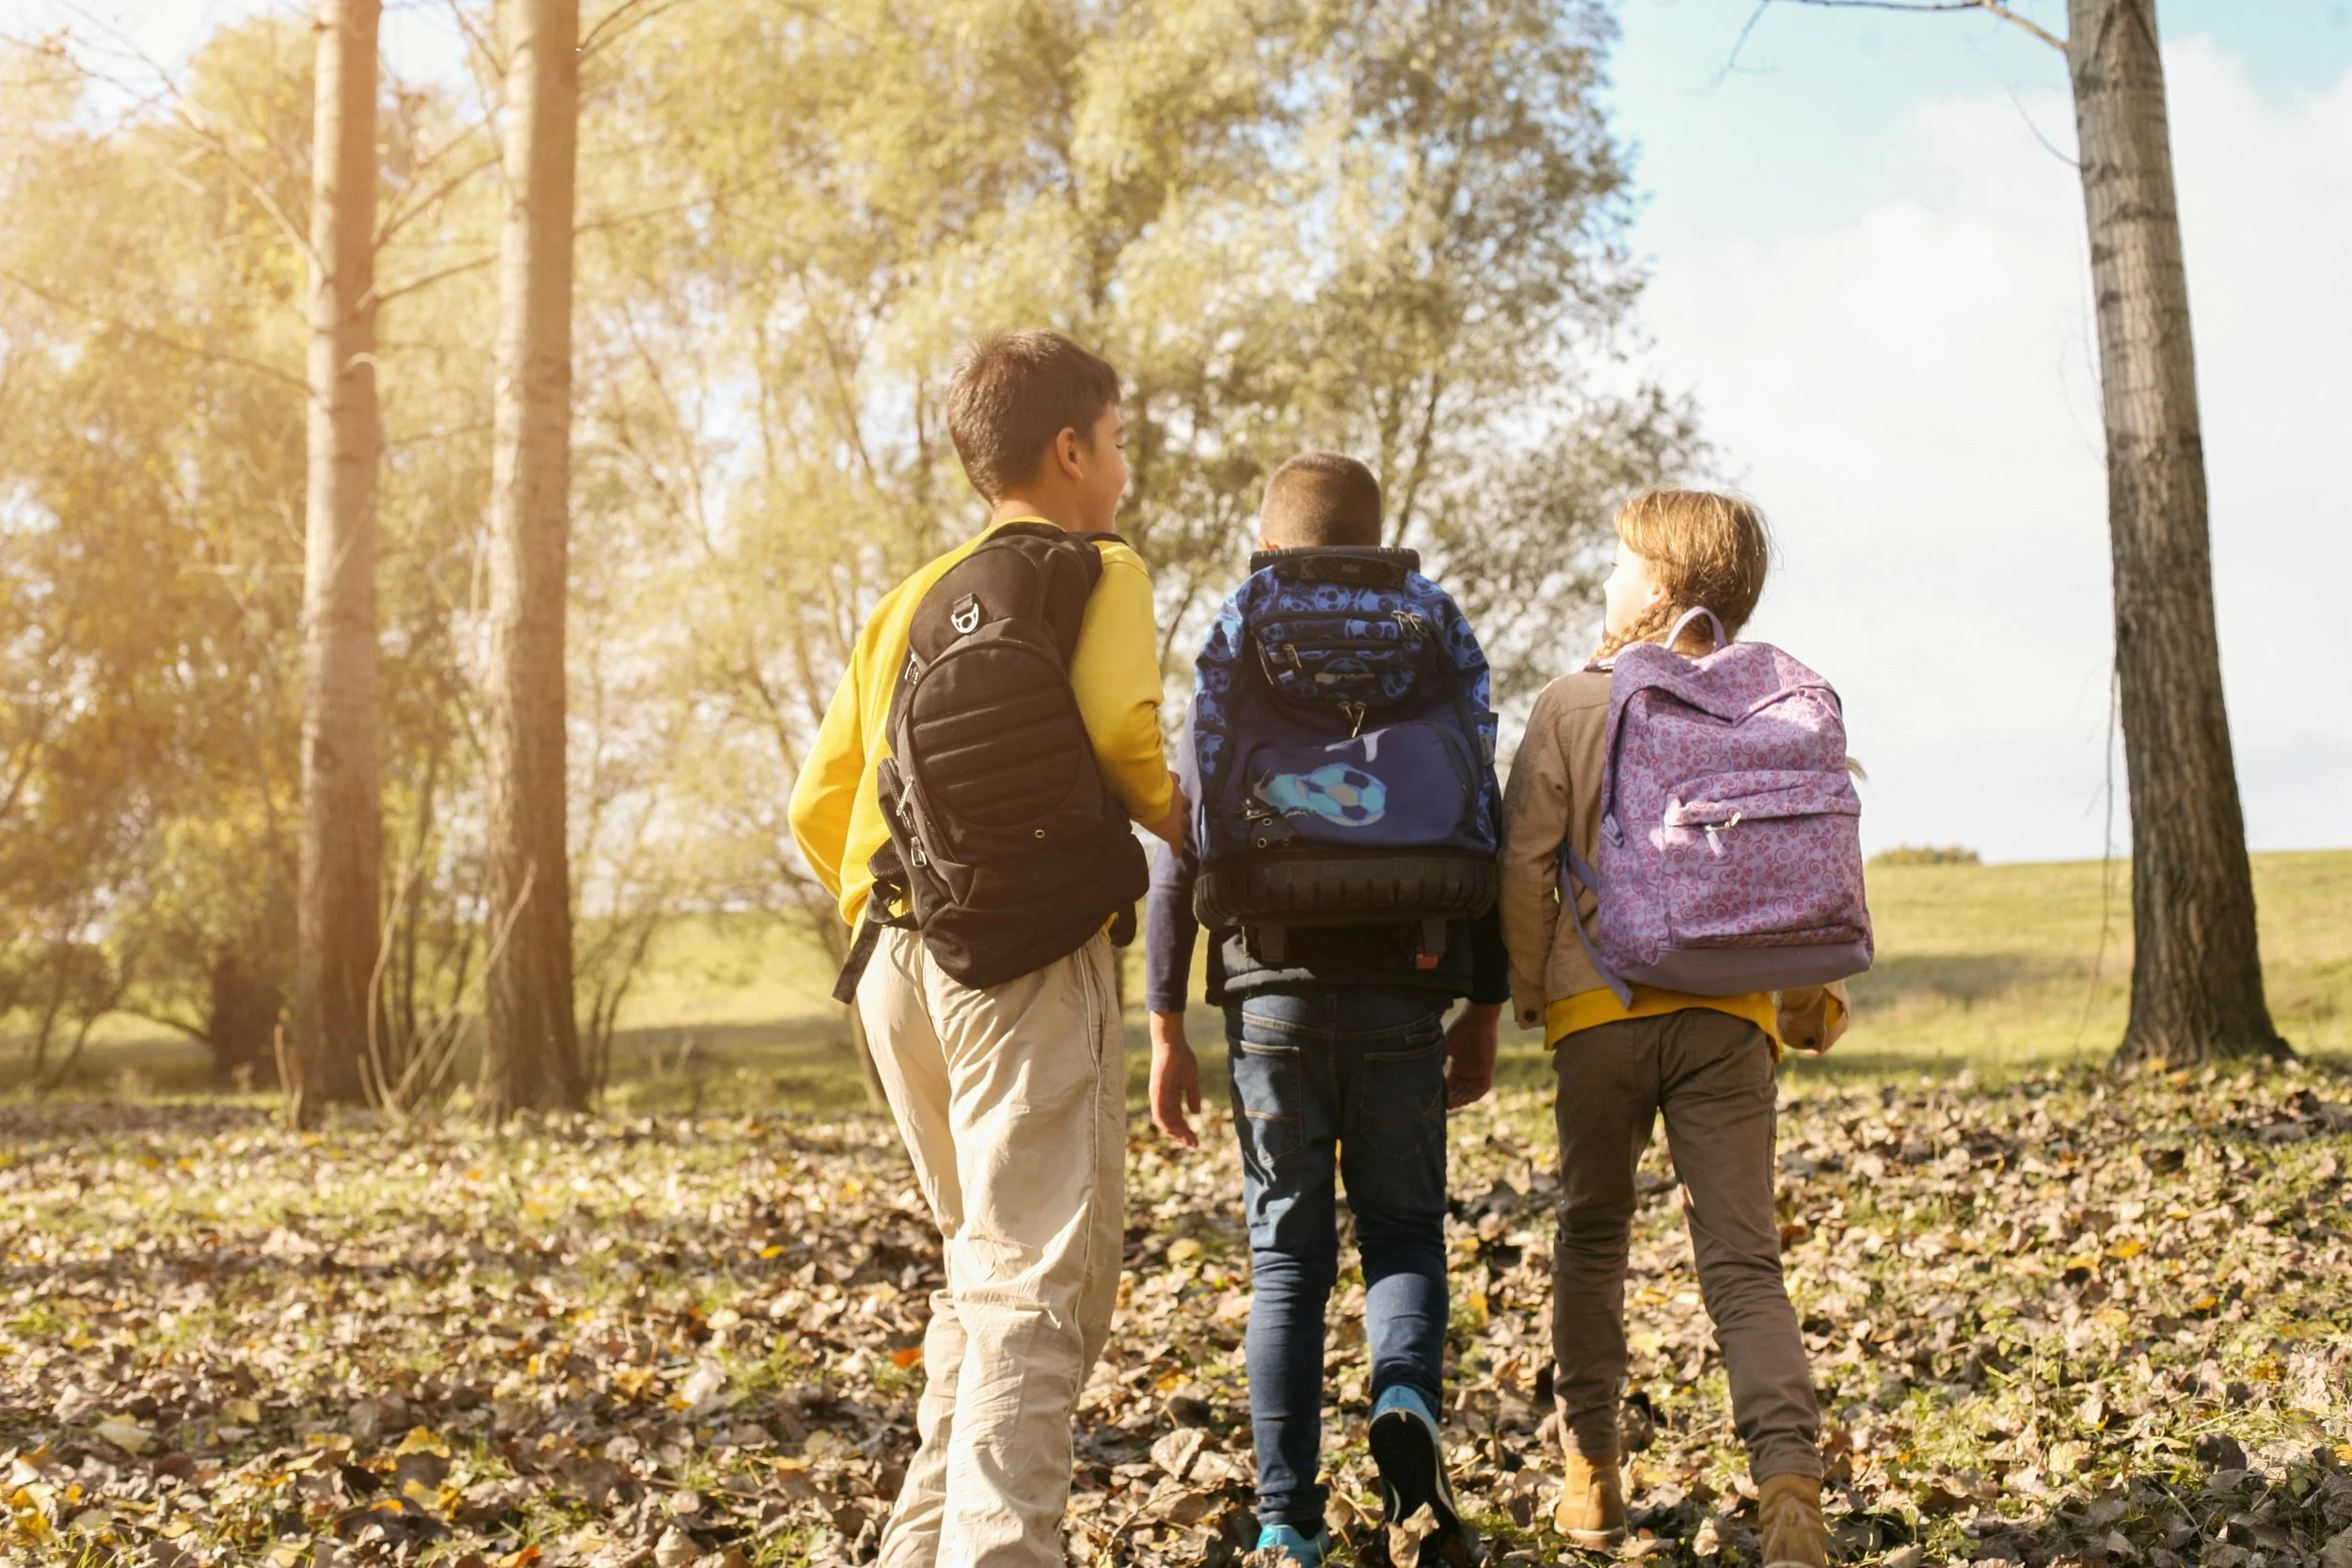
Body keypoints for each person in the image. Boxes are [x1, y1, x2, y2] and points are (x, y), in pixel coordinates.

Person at [788, 329, 1185, 1568]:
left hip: (891, 963)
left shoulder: (909, 597)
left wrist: (893, 903)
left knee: (979, 1269)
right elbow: (1129, 739)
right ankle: (1002, 1552)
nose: (1120, 469)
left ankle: (922, 1547)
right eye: (1115, 442)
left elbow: (818, 799)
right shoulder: (1095, 567)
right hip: (1016, 957)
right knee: (1037, 1285)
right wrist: (1215, 834)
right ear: (1071, 449)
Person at [1145, 451, 1508, 1568]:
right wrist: (1484, 1002)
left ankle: (1287, 1520)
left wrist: (1165, 1020)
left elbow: (1178, 848)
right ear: (1375, 533)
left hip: (1269, 988)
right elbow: (1480, 820)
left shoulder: (1242, 630)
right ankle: (1403, 1394)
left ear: (1270, 540)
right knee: (1402, 1227)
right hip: (1410, 973)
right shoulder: (1431, 625)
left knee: (1286, 1258)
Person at [1498, 486, 1847, 1568]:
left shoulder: (1570, 702)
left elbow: (1522, 863)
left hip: (1599, 1008)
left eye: (1617, 563)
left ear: (1657, 587)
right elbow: (1807, 866)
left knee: (1592, 1239)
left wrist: (1528, 985)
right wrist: (1802, 997)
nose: (1605, 580)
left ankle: (1590, 1481)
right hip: (1731, 1021)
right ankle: (1788, 1494)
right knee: (1743, 1262)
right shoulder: (1776, 704)